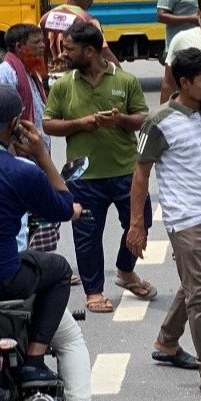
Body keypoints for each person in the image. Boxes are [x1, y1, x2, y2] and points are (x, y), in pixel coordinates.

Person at [0, 84, 79, 383]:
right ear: (15, 124)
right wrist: (42, 155)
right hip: (1, 280)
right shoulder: (22, 172)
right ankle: (34, 359)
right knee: (59, 270)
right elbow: (63, 208)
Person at [128, 48, 201, 401]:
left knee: (196, 286)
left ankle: (167, 342)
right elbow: (140, 175)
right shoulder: (158, 121)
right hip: (185, 220)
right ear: (184, 83)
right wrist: (137, 224)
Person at [43, 22, 153, 314]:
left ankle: (125, 270)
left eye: (69, 48)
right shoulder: (63, 85)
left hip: (127, 172)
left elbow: (142, 117)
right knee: (87, 235)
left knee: (142, 222)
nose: (63, 54)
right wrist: (81, 124)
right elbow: (48, 124)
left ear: (89, 51)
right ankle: (93, 292)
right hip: (83, 177)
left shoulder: (125, 80)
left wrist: (119, 120)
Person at [41, 0, 120, 73]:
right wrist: (122, 77)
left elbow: (40, 52)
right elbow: (105, 53)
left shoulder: (45, 17)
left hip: (51, 77)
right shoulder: (87, 20)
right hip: (76, 78)